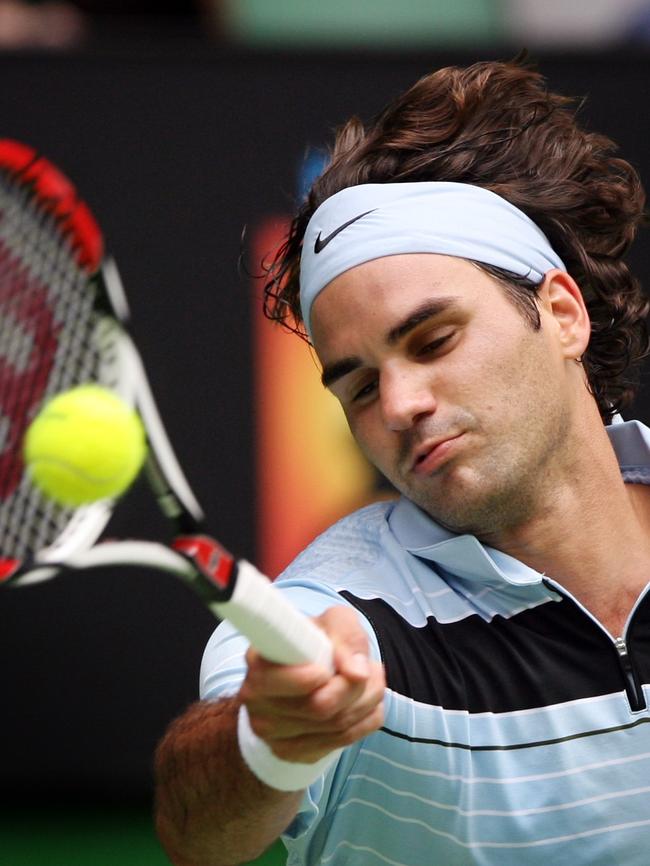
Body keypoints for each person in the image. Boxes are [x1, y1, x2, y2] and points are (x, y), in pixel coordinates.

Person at [154, 57, 650, 866]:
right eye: (357, 387)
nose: (399, 405)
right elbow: (196, 827)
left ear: (561, 313)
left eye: (434, 340)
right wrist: (271, 736)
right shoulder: (341, 610)